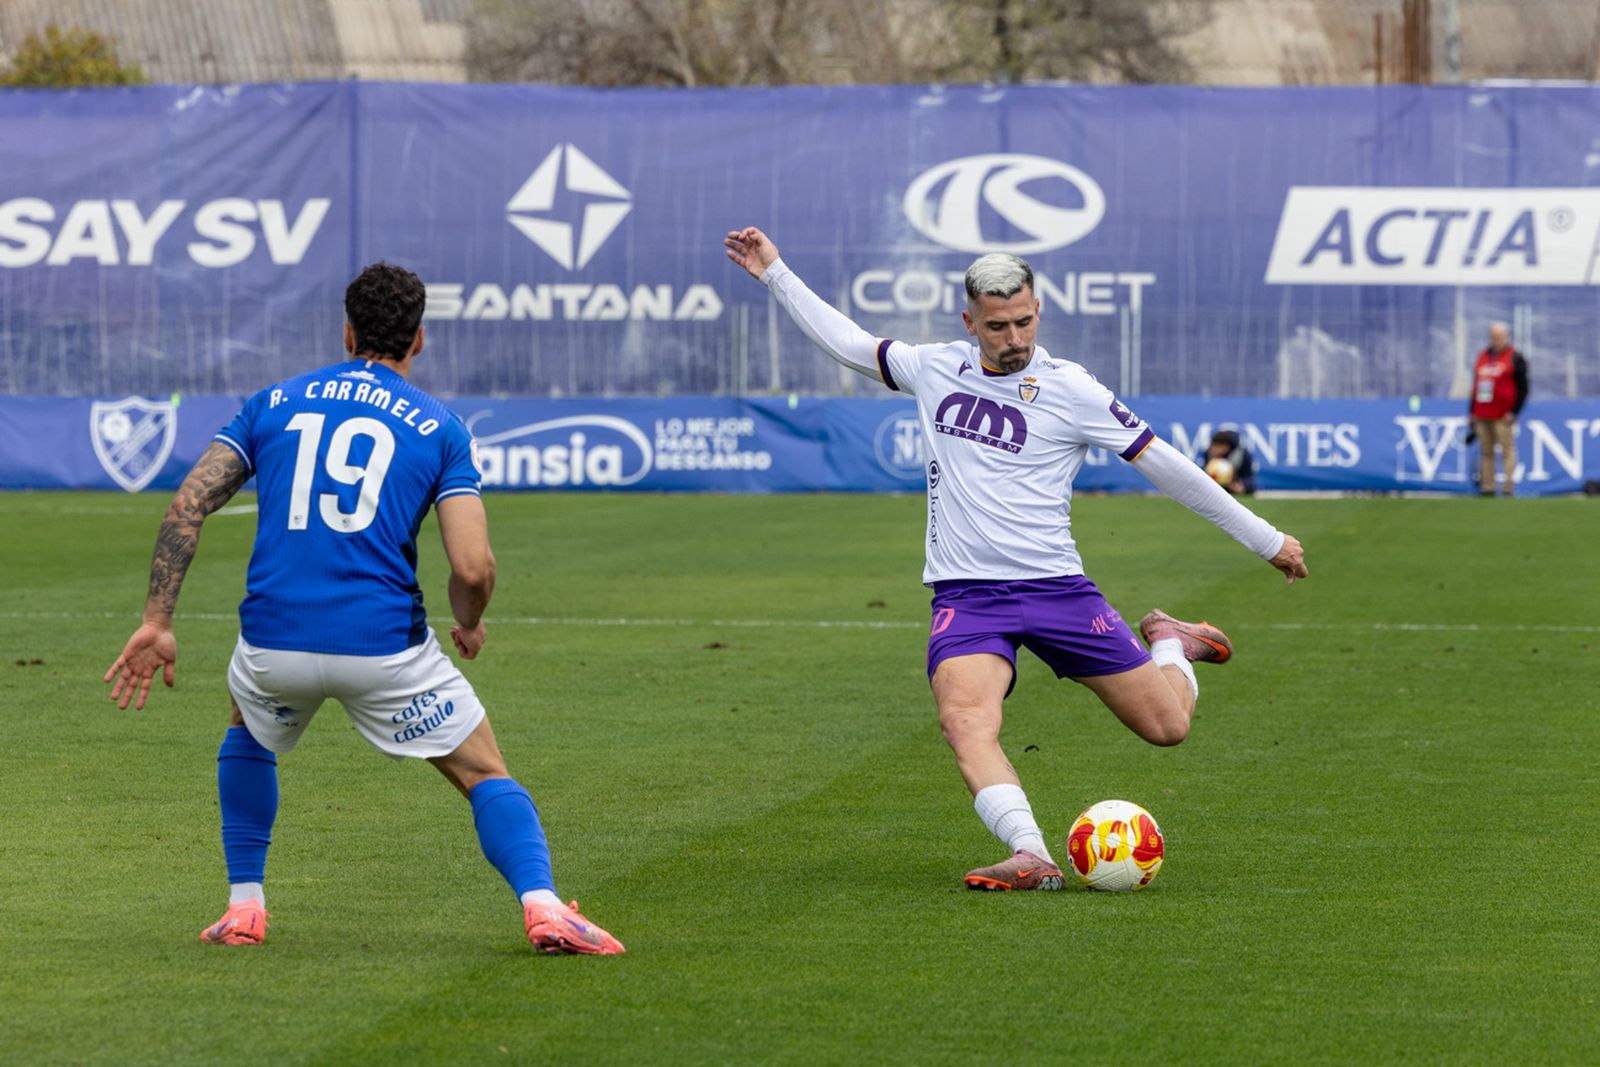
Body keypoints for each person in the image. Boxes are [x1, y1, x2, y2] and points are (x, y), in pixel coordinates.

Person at [725, 226, 1307, 891]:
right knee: (963, 719)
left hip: (1059, 592)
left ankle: (1172, 644)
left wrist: (1266, 540)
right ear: (970, 321)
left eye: (1024, 321)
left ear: (1038, 312)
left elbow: (1169, 467)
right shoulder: (935, 367)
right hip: (968, 598)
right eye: (998, 325)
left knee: (1168, 726)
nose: (1014, 337)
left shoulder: (1072, 388)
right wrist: (775, 273)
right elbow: (850, 343)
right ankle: (1030, 851)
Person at [103, 262, 624, 954]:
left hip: (274, 643)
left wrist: (157, 620)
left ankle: (243, 908)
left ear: (347, 330)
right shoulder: (441, 427)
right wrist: (467, 622)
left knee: (248, 729)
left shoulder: (272, 402)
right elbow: (473, 565)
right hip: (384, 650)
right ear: (420, 339)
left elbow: (188, 504)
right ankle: (544, 906)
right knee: (483, 771)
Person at [1465, 322, 1528, 497]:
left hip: (1503, 415)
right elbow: (1476, 386)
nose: (1496, 340)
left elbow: (1524, 388)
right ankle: (1488, 487)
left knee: (1507, 450)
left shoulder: (1515, 357)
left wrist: (1514, 411)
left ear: (1506, 337)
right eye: (1494, 337)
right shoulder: (1483, 356)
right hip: (1482, 413)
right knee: (1486, 451)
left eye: (1500, 337)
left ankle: (1508, 488)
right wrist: (1472, 412)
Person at [1199, 429, 1257, 495]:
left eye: (1218, 446)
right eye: (1213, 445)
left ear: (1226, 446)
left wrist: (1243, 486)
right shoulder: (1208, 453)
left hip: (1233, 491)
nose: (1214, 449)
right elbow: (1203, 473)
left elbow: (1250, 479)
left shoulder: (1243, 455)